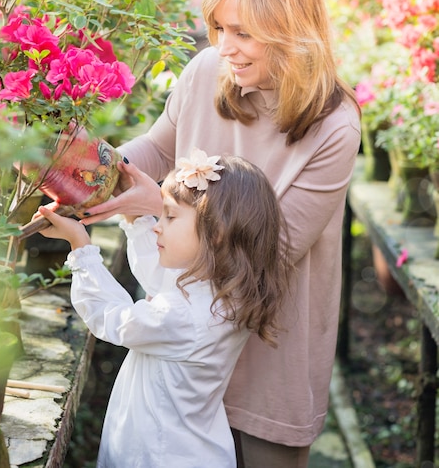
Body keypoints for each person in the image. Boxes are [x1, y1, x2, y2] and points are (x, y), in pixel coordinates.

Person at [82, 0, 362, 468]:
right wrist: (92, 169)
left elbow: (270, 252)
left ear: (290, 29)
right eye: (218, 28)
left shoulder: (335, 125)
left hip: (269, 342)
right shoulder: (208, 69)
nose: (224, 47)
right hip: (186, 339)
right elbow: (157, 148)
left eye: (243, 33)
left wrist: (158, 205)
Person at [36, 149, 291, 468]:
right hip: (190, 450)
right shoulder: (223, 290)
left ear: (216, 233)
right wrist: (133, 214)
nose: (158, 225)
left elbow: (111, 319)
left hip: (158, 455)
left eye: (169, 216)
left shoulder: (182, 312)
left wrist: (80, 247)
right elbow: (160, 276)